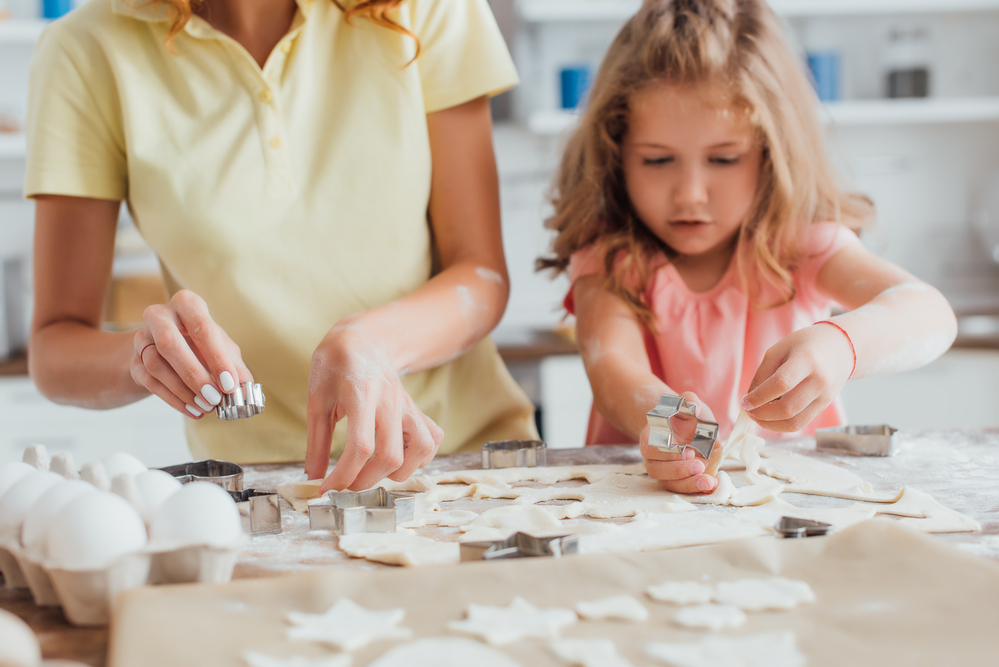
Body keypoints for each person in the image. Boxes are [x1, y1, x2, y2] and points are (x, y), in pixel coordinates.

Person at [25, 0, 538, 492]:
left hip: (466, 464)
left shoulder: (424, 6)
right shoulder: (85, 50)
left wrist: (371, 341)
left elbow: (481, 274)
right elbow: (55, 345)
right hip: (260, 492)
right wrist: (142, 357)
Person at [539, 0, 957, 495]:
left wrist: (842, 346)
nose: (690, 192)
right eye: (657, 160)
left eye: (723, 158)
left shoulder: (799, 246)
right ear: (615, 154)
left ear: (772, 152)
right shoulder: (613, 261)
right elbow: (613, 367)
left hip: (795, 508)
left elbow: (930, 314)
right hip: (638, 500)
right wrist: (665, 418)